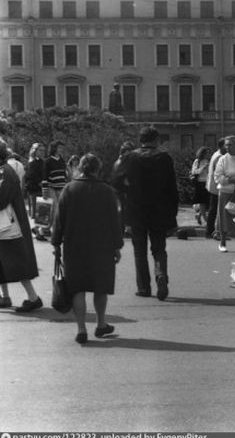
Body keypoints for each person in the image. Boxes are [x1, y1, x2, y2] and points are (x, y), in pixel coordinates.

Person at [51, 154, 123, 344]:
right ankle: (101, 324)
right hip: (102, 246)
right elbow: (115, 222)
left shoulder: (69, 189)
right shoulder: (107, 191)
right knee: (101, 287)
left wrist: (56, 242)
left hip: (74, 246)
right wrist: (117, 246)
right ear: (98, 169)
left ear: (80, 168)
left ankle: (81, 329)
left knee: (78, 288)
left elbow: (59, 220)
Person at [112, 126, 179, 300]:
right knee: (159, 249)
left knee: (139, 251)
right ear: (156, 140)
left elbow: (115, 181)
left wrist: (128, 191)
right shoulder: (164, 158)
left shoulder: (130, 157)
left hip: (136, 211)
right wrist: (172, 217)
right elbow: (172, 189)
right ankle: (160, 274)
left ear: (140, 140)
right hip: (159, 210)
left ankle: (143, 287)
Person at [0, 137, 42, 312]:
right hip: (6, 224)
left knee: (16, 261)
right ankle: (5, 296)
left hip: (9, 225)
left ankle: (33, 297)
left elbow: (2, 199)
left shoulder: (5, 172)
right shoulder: (5, 170)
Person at [42, 140, 68, 237]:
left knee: (60, 210)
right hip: (51, 187)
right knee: (54, 209)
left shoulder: (62, 160)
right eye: (59, 147)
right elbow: (44, 176)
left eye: (62, 148)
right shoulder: (48, 161)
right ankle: (54, 232)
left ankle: (45, 229)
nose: (61, 149)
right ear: (54, 148)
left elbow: (64, 175)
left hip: (61, 187)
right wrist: (44, 191)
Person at [110, 141, 135, 236]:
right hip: (122, 190)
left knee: (121, 210)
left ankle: (122, 229)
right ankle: (126, 228)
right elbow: (125, 178)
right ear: (127, 151)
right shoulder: (125, 161)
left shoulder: (117, 161)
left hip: (116, 190)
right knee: (124, 210)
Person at [205, 139, 226, 239]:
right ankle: (213, 232)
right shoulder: (220, 157)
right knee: (216, 210)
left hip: (213, 186)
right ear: (222, 146)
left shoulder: (216, 154)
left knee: (213, 209)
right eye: (227, 145)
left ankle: (210, 231)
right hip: (217, 187)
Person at [24, 142, 45, 220]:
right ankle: (35, 229)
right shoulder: (31, 162)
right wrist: (40, 182)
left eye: (43, 151)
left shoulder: (42, 162)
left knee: (42, 212)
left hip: (42, 189)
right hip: (34, 190)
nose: (42, 152)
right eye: (40, 150)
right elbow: (30, 177)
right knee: (35, 212)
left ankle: (40, 228)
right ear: (34, 151)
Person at [190, 146, 210, 225]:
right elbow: (194, 172)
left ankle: (199, 215)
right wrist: (203, 167)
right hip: (200, 183)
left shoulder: (208, 161)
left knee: (208, 202)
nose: (208, 154)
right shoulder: (197, 161)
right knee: (202, 202)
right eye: (207, 153)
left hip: (207, 183)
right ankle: (206, 220)